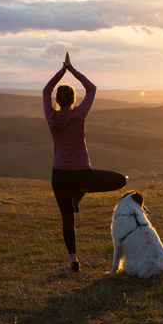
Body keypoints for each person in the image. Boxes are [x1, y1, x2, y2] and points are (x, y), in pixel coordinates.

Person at [43, 53, 127, 273]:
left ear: (56, 101)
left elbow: (45, 90)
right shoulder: (79, 115)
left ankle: (73, 260)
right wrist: (71, 69)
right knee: (120, 180)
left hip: (59, 175)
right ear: (72, 100)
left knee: (67, 220)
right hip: (81, 173)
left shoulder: (51, 117)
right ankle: (80, 191)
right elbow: (92, 89)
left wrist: (62, 70)